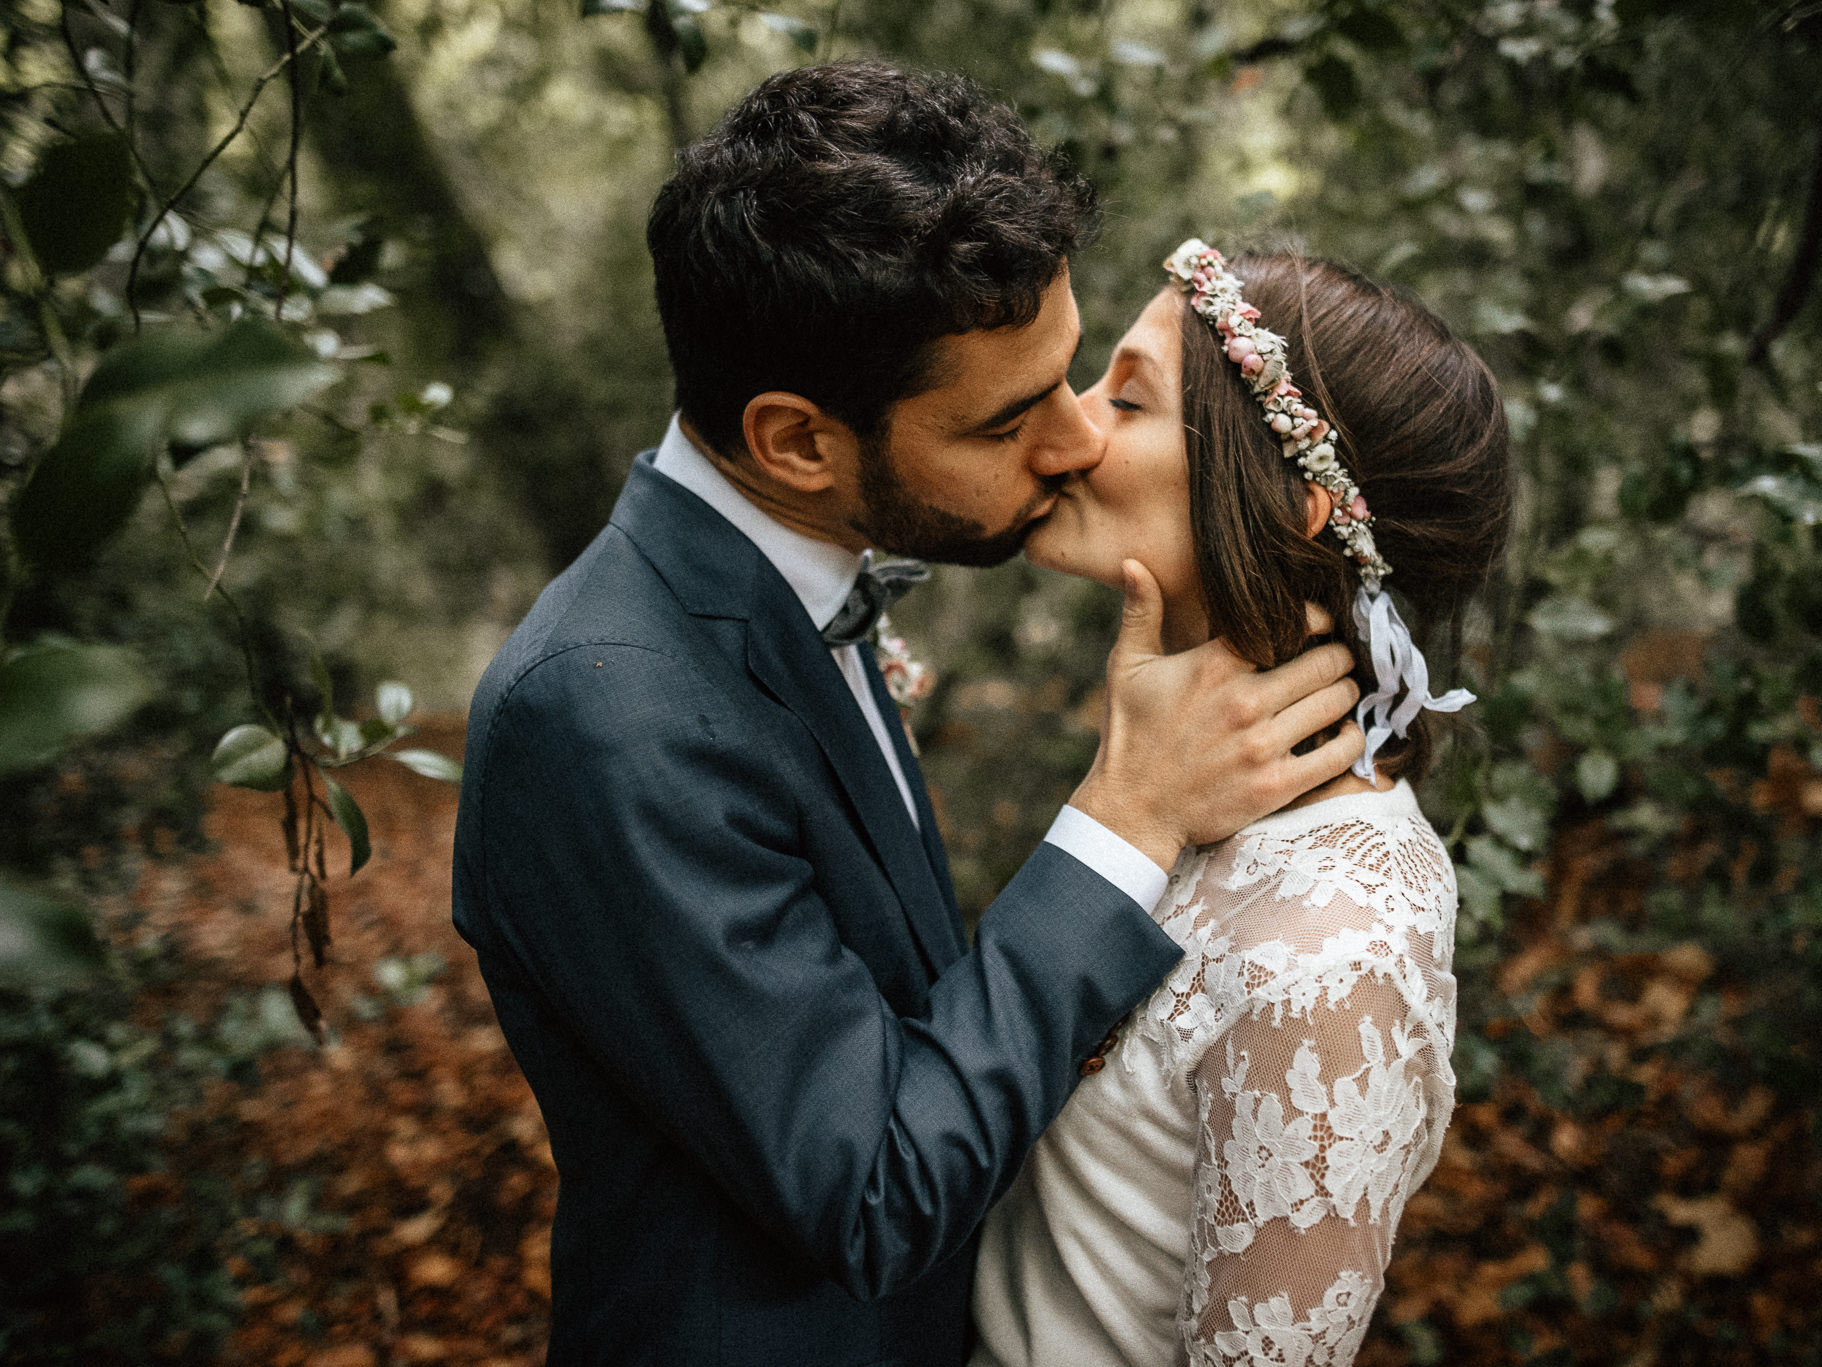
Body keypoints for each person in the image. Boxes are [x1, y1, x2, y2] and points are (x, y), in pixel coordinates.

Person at [450, 68, 1369, 1367]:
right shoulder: (604, 711)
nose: (1075, 442)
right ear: (797, 442)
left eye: (1072, 375)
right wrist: (1127, 815)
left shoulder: (793, 581)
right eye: (1008, 418)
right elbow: (874, 1187)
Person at [970, 242, 1514, 1366]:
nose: (1066, 429)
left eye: (1125, 398)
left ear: (1295, 501)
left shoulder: (1335, 953)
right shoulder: (1171, 797)